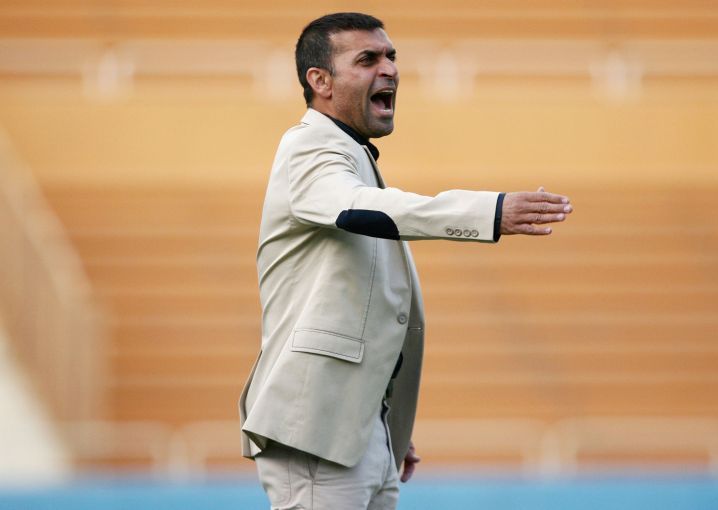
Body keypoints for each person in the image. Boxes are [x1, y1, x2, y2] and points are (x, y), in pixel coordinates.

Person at [238, 12, 573, 510]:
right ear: (320, 81)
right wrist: (487, 211)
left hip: (356, 430)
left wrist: (380, 420)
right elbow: (358, 209)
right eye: (367, 59)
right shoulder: (308, 146)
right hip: (316, 433)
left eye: (391, 56)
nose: (390, 69)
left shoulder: (351, 154)